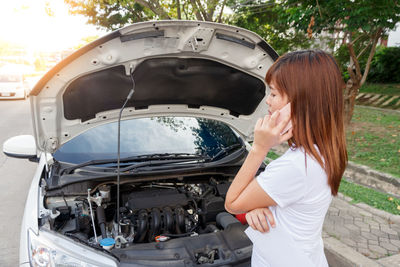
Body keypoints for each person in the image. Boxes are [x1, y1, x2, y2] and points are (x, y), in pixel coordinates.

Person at [224, 50, 348, 266]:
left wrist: (259, 149)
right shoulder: (322, 152)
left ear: (301, 102)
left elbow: (233, 203)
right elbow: (286, 198)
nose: (268, 103)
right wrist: (254, 206)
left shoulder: (296, 166)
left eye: (273, 94)